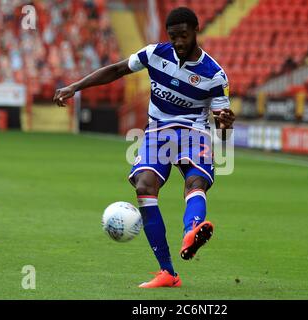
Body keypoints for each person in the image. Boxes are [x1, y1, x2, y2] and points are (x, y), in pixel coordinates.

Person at [53, 7, 235, 288]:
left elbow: (223, 135)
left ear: (196, 31)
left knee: (195, 181)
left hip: (194, 132)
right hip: (157, 132)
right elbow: (116, 70)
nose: (177, 42)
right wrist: (75, 86)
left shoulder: (215, 75)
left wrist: (225, 124)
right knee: (144, 186)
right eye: (173, 37)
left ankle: (192, 231)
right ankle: (168, 273)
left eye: (183, 36)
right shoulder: (154, 54)